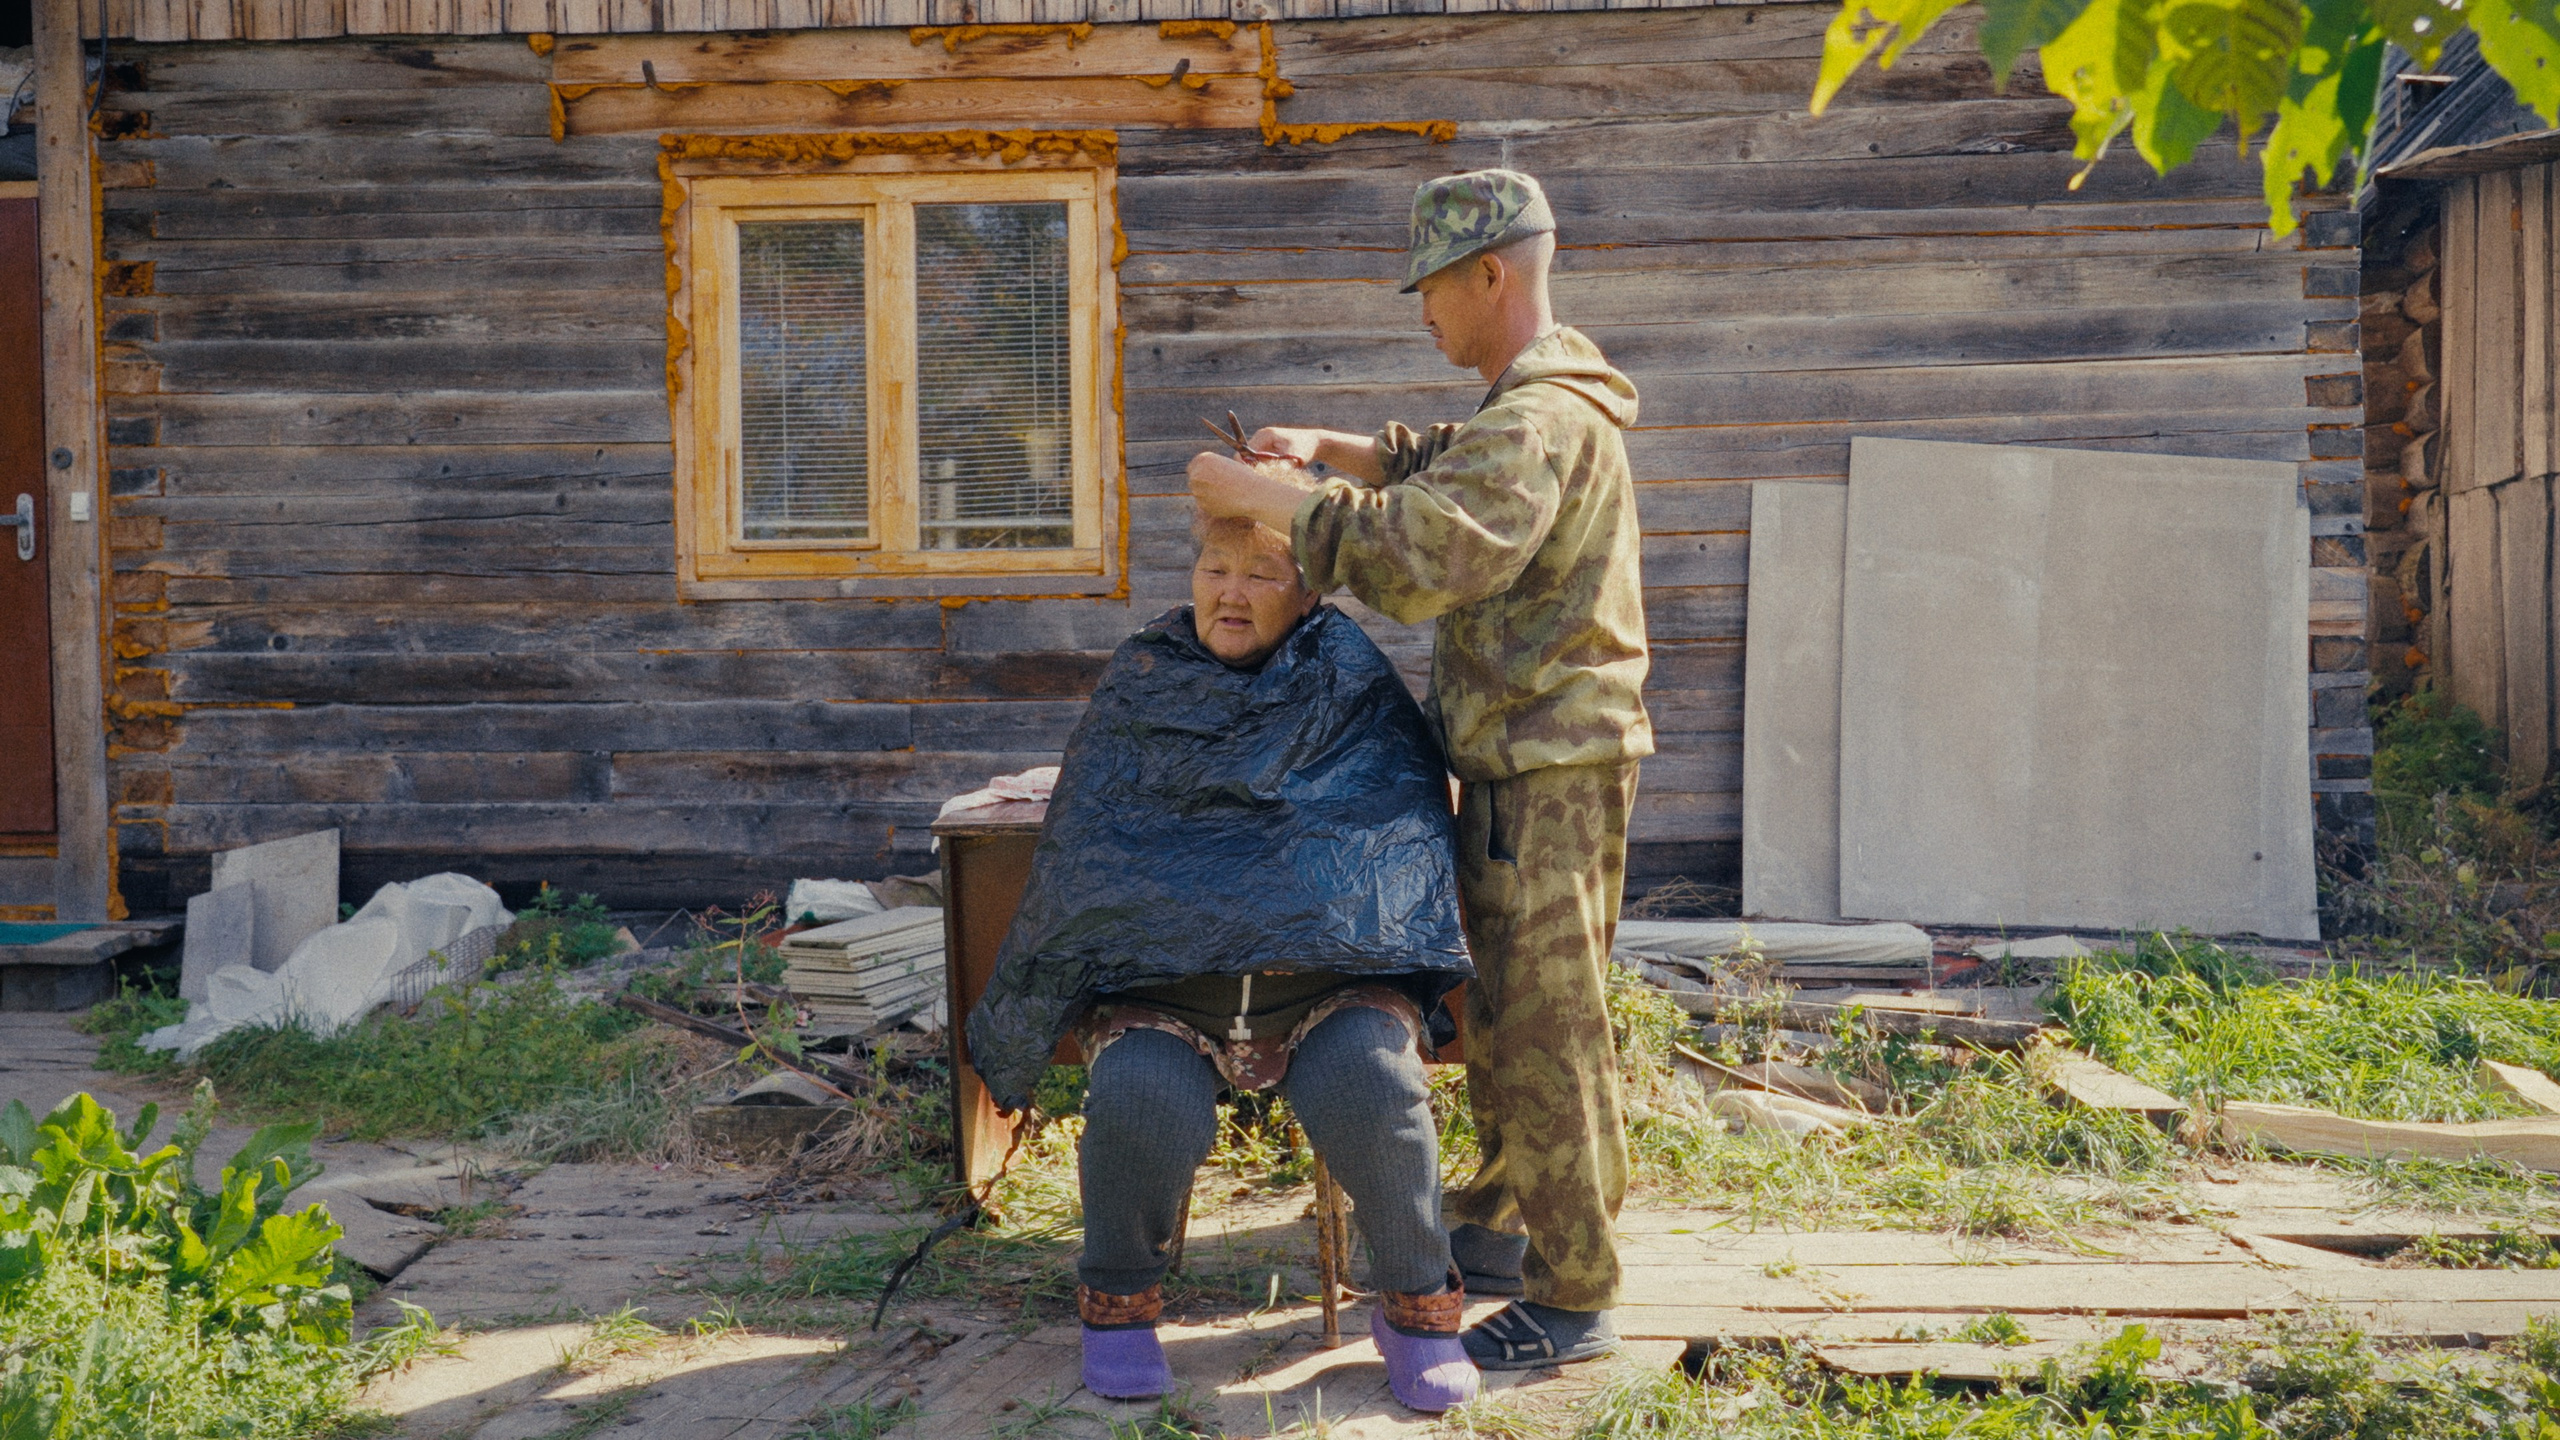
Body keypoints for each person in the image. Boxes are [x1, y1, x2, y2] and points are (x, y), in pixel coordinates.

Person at [1186, 169, 1650, 1370]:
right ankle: (1503, 1218)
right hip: (1526, 760)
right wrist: (1327, 450)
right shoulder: (1530, 406)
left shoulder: (1541, 421)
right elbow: (1443, 461)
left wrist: (1265, 500)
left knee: (1548, 1031)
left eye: (1431, 287)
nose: (1422, 312)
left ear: (1489, 274)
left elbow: (1420, 557)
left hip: (1549, 769)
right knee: (1498, 1013)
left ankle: (1576, 1297)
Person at [965, 514, 1481, 1413]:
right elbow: (1091, 840)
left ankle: (1416, 1309)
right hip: (1166, 998)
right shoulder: (1145, 676)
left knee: (1373, 1085)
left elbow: (1397, 825)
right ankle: (1118, 1307)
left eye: (1261, 576)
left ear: (1309, 594)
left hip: (1329, 988)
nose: (1230, 594)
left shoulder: (1351, 681)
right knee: (1140, 1099)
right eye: (1214, 569)